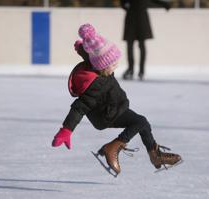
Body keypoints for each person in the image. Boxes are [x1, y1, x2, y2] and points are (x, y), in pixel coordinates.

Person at [51, 23, 182, 176]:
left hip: (114, 107)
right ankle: (112, 148)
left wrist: (82, 48)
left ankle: (155, 155)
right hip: (107, 114)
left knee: (143, 123)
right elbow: (79, 107)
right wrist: (66, 130)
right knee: (140, 122)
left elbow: (90, 56)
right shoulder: (96, 84)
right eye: (112, 64)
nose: (116, 66)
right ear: (102, 66)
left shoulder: (97, 65)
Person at [120, 0, 171, 81]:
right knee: (131, 45)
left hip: (140, 18)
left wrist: (165, 4)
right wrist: (125, 5)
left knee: (140, 45)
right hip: (132, 17)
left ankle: (140, 71)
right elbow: (123, 3)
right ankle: (131, 69)